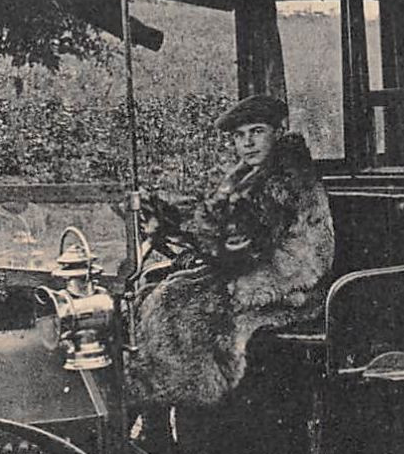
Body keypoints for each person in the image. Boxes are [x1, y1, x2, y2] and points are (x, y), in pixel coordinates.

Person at [126, 94, 335, 409]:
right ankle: (161, 403)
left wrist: (188, 231)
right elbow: (217, 221)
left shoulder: (285, 180)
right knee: (150, 290)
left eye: (256, 132)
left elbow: (244, 238)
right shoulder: (244, 177)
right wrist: (169, 219)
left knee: (178, 303)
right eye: (240, 136)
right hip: (256, 270)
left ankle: (189, 400)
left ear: (279, 131)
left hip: (289, 283)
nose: (247, 143)